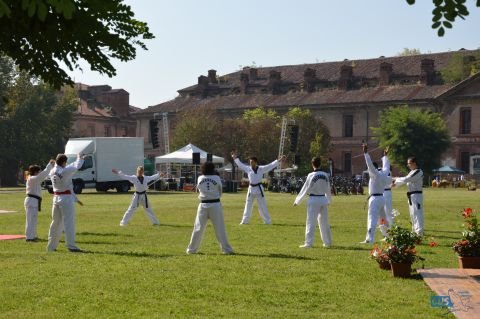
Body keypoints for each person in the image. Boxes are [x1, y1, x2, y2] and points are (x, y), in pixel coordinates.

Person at [186, 162, 234, 255]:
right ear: (212, 169)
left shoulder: (200, 178)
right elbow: (220, 191)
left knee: (198, 228)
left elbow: (198, 190)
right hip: (215, 204)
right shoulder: (216, 178)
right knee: (220, 228)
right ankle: (227, 249)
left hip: (203, 205)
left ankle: (191, 250)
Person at [231, 151, 286, 224]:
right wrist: (235, 158)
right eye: (250, 162)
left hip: (259, 189)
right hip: (251, 189)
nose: (251, 163)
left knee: (262, 206)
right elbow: (240, 165)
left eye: (252, 162)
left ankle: (267, 221)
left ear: (256, 162)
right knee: (248, 206)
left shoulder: (261, 168)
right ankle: (244, 221)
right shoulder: (248, 168)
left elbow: (270, 165)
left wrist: (279, 160)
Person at [47, 153, 85, 252]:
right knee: (69, 223)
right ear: (64, 162)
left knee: (55, 223)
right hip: (65, 198)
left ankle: (51, 246)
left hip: (56, 197)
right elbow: (77, 166)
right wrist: (80, 158)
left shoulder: (53, 171)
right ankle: (71, 245)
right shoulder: (65, 171)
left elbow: (68, 166)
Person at [293, 157, 332, 248]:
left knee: (311, 221)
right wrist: (329, 200)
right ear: (320, 164)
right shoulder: (325, 175)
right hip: (323, 199)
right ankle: (328, 242)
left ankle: (309, 243)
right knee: (324, 222)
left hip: (314, 200)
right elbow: (328, 189)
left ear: (312, 164)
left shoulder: (311, 175)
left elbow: (305, 188)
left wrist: (297, 200)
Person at [360, 144, 389, 244]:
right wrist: (385, 156)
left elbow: (369, 165)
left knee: (372, 219)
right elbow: (386, 166)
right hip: (381, 198)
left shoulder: (375, 174)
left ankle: (370, 239)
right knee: (383, 219)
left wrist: (365, 153)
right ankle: (388, 236)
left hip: (375, 199)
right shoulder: (384, 173)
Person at [391, 156, 424, 236]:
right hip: (411, 195)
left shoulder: (418, 171)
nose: (408, 165)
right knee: (412, 214)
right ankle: (414, 231)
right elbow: (404, 181)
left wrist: (396, 179)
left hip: (417, 195)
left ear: (414, 163)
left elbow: (407, 179)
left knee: (417, 214)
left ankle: (419, 232)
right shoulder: (411, 172)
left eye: (409, 163)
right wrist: (395, 184)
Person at [24, 159, 55, 242]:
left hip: (33, 200)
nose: (40, 172)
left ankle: (32, 235)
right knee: (30, 219)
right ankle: (29, 237)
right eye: (39, 171)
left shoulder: (34, 178)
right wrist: (50, 165)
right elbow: (43, 174)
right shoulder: (33, 178)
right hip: (31, 200)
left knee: (33, 219)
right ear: (35, 172)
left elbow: (42, 175)